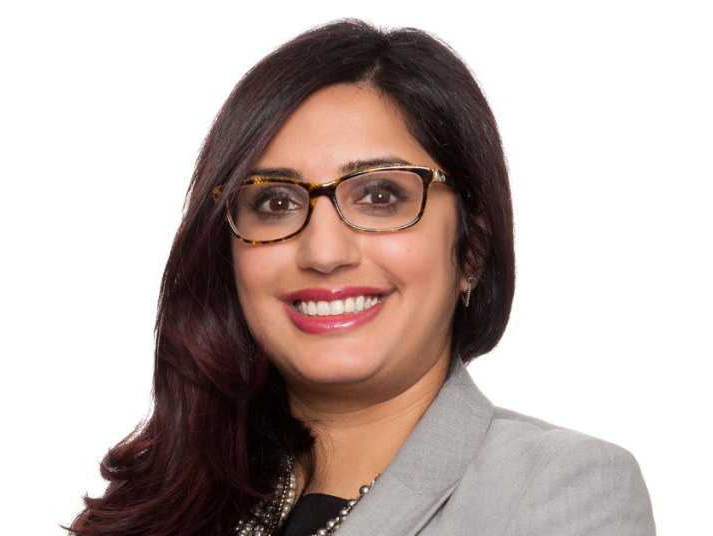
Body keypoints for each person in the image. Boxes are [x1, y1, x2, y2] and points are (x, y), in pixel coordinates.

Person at [68, 19, 654, 536]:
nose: (323, 251)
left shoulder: (560, 486)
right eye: (274, 202)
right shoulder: (164, 500)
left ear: (472, 247)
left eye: (380, 195)